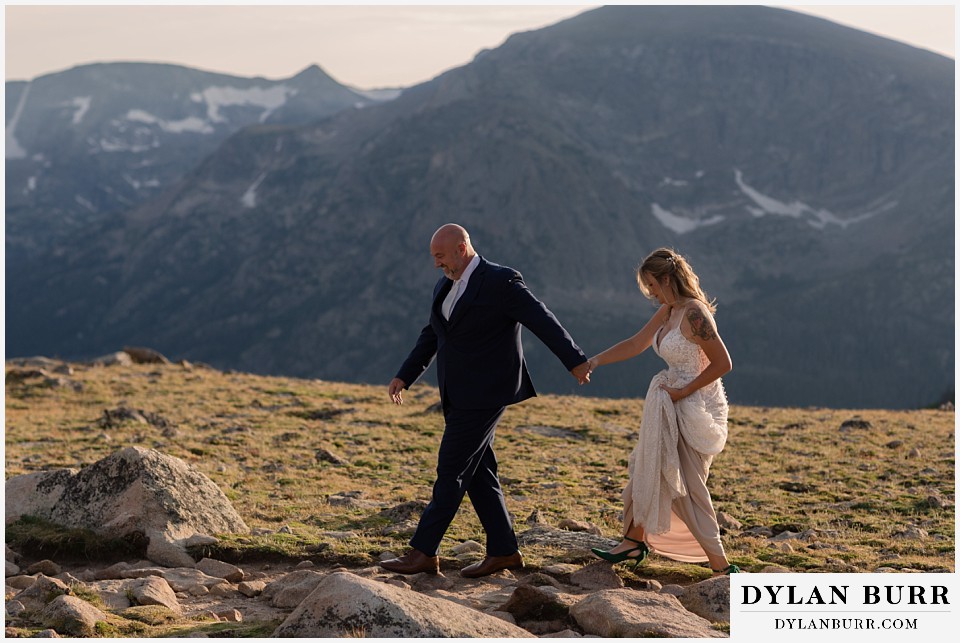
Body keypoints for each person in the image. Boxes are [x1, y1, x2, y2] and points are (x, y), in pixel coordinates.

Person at [382, 223, 592, 578]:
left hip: (485, 393)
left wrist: (574, 360)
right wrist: (406, 374)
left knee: (451, 469)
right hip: (455, 392)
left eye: (440, 256)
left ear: (461, 249)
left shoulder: (501, 281)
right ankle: (504, 551)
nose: (436, 264)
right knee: (480, 473)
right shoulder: (445, 283)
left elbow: (541, 319)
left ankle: (423, 551)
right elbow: (433, 333)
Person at [586, 248, 739, 575]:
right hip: (669, 398)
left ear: (667, 278)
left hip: (693, 403)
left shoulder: (695, 313)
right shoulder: (669, 310)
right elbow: (636, 343)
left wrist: (683, 391)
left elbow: (723, 363)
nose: (651, 293)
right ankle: (633, 540)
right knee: (648, 468)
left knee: (687, 485)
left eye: (652, 285)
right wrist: (593, 361)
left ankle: (721, 565)